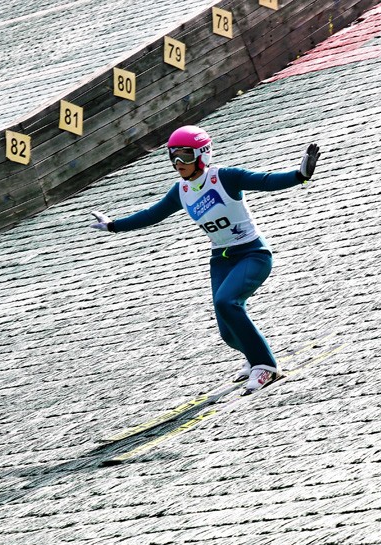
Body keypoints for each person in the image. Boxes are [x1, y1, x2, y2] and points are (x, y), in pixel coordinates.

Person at [90, 125, 320, 395]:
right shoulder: (181, 190)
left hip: (252, 253)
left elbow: (265, 181)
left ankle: (266, 366)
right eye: (173, 156)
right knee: (227, 332)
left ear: (203, 155)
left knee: (226, 302)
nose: (178, 162)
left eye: (185, 155)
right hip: (220, 260)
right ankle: (252, 354)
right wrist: (114, 225)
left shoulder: (225, 177)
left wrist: (300, 176)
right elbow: (152, 214)